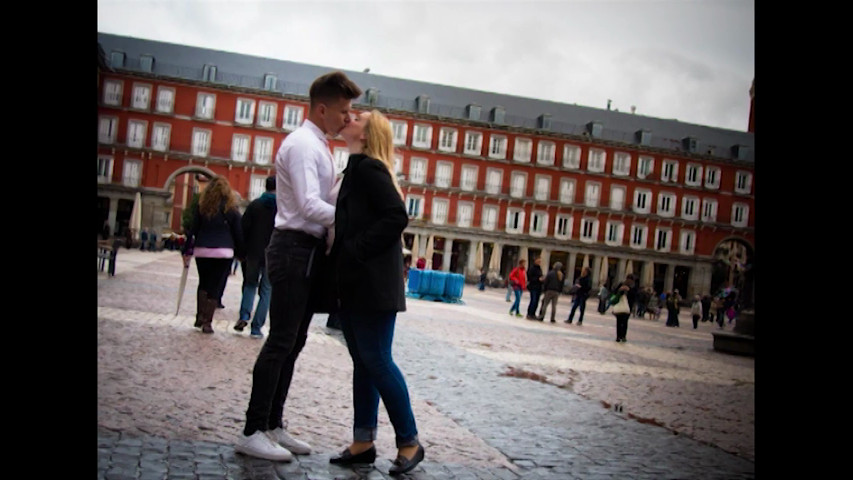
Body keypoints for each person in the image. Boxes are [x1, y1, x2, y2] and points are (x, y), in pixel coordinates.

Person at [234, 71, 362, 462]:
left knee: (294, 341)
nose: (348, 118)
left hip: (304, 250)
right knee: (280, 342)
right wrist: (350, 218)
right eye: (343, 110)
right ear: (322, 109)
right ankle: (253, 429)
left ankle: (272, 424)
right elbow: (308, 205)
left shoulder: (318, 145)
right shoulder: (305, 145)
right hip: (292, 247)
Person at [327, 109, 425, 476]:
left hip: (371, 284)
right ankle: (363, 441)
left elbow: (397, 216)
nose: (348, 116)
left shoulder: (368, 169)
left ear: (367, 135)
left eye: (358, 117)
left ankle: (410, 442)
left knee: (378, 361)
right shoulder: (357, 169)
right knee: (365, 363)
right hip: (359, 283)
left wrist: (356, 249)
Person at [181, 175, 245, 334]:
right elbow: (239, 234)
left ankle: (199, 316)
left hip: (202, 249)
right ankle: (207, 323)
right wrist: (241, 253)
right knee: (215, 286)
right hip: (223, 252)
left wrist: (186, 250)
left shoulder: (202, 207)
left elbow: (193, 230)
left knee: (203, 283)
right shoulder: (231, 210)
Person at [234, 175, 277, 339]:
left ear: (265, 187)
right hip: (272, 255)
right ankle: (256, 327)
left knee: (250, 285)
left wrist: (241, 252)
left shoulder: (254, 205)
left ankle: (244, 316)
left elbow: (243, 229)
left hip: (253, 253)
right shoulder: (281, 208)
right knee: (266, 290)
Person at [612, 274, 638, 342]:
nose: (629, 281)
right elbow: (614, 293)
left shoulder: (634, 287)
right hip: (620, 305)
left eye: (630, 279)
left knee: (625, 322)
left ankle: (623, 336)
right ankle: (618, 336)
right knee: (619, 322)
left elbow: (635, 296)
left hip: (628, 307)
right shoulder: (621, 284)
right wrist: (620, 290)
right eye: (628, 279)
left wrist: (629, 290)